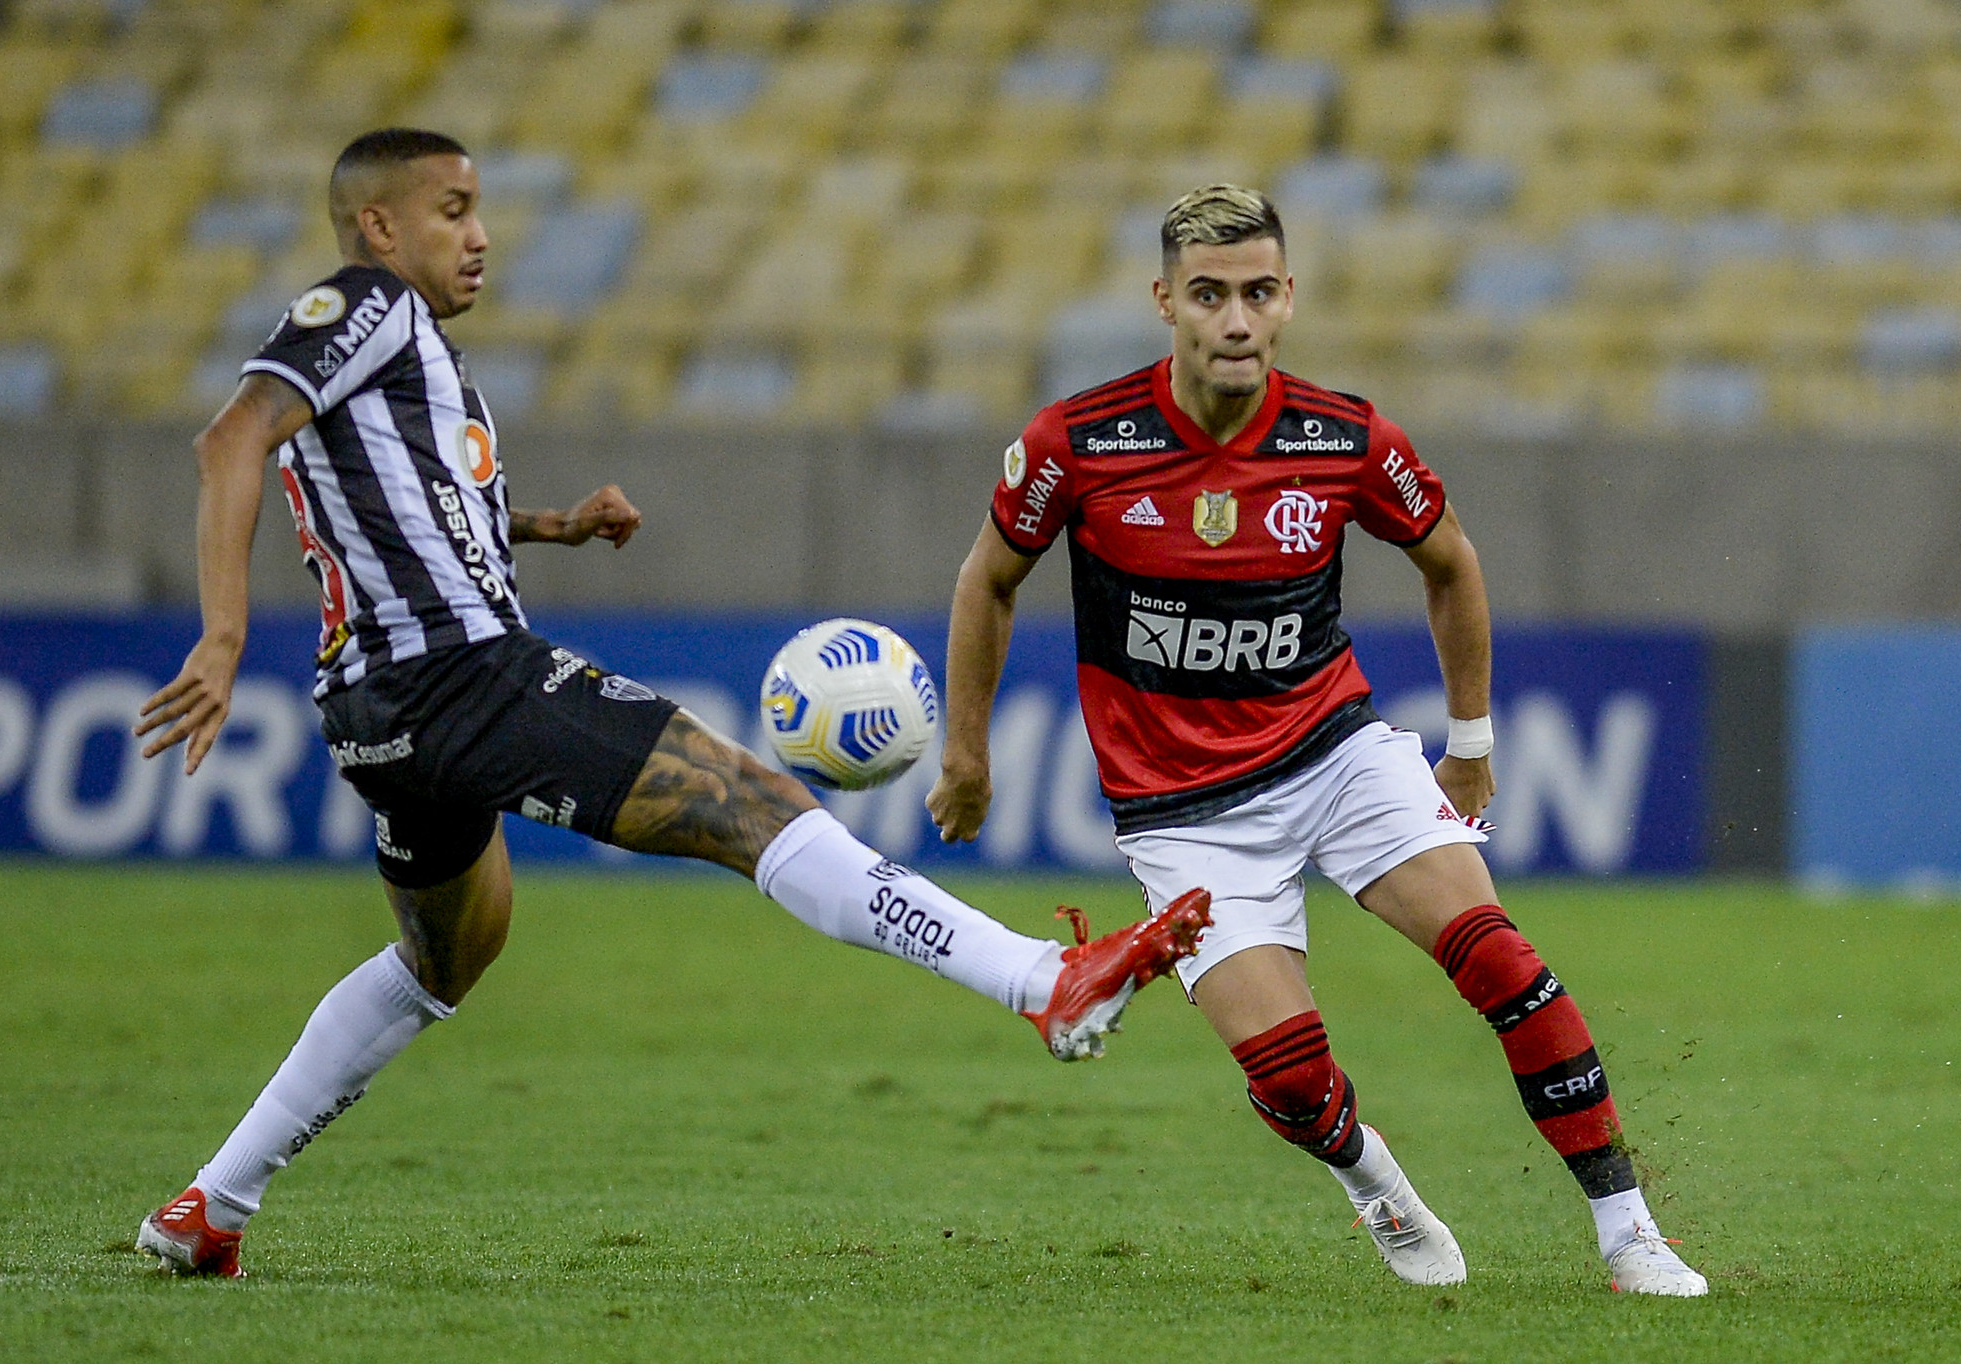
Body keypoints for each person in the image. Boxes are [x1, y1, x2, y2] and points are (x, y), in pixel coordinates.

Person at [129, 128, 1213, 1279]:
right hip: (459, 673)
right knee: (750, 801)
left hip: (378, 713)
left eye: (480, 209)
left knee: (447, 956)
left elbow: (414, 513)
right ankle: (1040, 980)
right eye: (451, 210)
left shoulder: (408, 365)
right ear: (381, 227)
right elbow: (229, 439)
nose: (481, 235)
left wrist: (549, 524)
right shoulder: (364, 305)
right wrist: (222, 635)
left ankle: (212, 1205)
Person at [926, 184, 1707, 1296]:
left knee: (1505, 964)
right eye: (1208, 295)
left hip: (1335, 755)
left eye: (1255, 292)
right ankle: (1375, 1180)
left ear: (1287, 299)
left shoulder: (1341, 437)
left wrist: (1470, 739)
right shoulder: (1079, 444)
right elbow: (987, 578)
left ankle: (1631, 1233)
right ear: (1166, 303)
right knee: (1288, 1076)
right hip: (1181, 811)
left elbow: (1452, 562)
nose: (1234, 318)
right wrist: (966, 754)